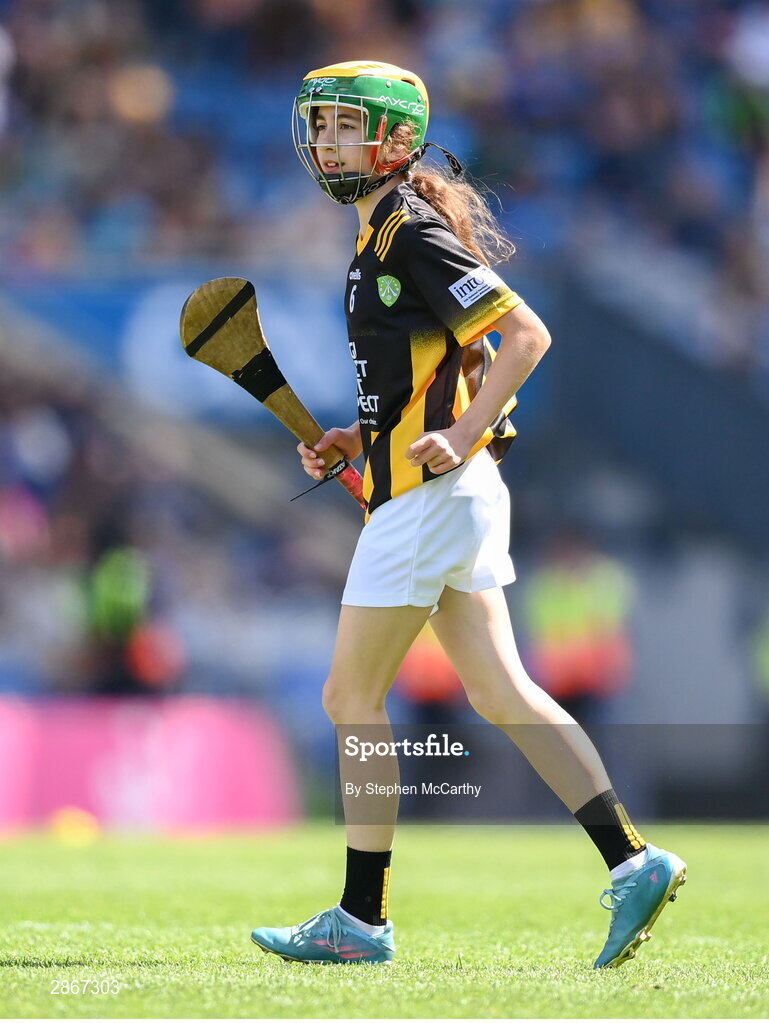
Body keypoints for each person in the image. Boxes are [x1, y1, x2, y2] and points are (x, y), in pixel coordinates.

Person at [250, 61, 686, 969]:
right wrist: (354, 437)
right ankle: (633, 859)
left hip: (429, 495)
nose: (323, 142)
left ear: (395, 140)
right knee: (498, 688)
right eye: (319, 125)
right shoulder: (379, 238)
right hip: (446, 489)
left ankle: (360, 919)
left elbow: (526, 334)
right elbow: (440, 366)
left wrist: (460, 432)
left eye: (340, 126)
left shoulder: (407, 231)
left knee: (349, 697)